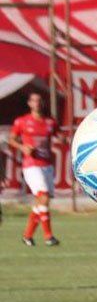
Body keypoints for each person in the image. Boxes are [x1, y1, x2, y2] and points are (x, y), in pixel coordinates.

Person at [8, 91, 60, 247]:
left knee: (41, 202)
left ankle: (27, 236)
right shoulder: (22, 121)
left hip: (47, 165)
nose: (37, 103)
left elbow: (59, 135)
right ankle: (48, 236)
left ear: (42, 103)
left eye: (39, 100)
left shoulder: (50, 122)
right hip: (31, 165)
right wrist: (22, 147)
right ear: (29, 103)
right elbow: (11, 139)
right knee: (43, 196)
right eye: (34, 101)